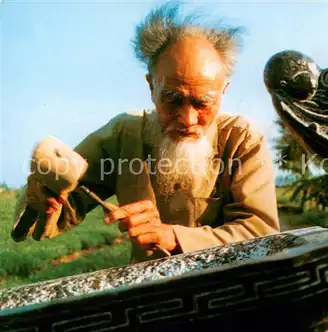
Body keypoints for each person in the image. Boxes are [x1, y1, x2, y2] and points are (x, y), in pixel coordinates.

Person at [12, 2, 280, 263]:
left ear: (224, 91)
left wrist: (174, 237)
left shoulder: (242, 140)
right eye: (172, 99)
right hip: (149, 295)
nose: (187, 119)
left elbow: (262, 233)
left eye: (202, 103)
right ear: (151, 86)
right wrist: (40, 195)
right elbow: (51, 215)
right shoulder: (122, 136)